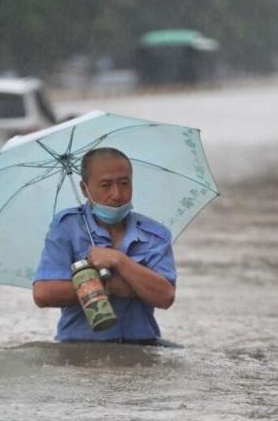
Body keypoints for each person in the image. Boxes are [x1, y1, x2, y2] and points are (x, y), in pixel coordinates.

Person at [32, 147, 177, 344]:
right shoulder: (67, 227)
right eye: (105, 185)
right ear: (85, 189)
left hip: (142, 346)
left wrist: (119, 260)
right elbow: (43, 293)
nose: (117, 194)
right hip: (79, 347)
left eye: (124, 183)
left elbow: (166, 296)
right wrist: (109, 286)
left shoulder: (155, 234)